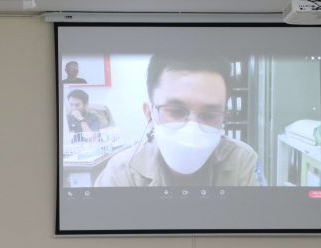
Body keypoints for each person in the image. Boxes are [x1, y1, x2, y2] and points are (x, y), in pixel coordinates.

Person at [95, 53, 258, 186]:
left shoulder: (242, 161)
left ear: (224, 116)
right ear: (150, 114)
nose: (192, 130)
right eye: (176, 111)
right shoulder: (120, 173)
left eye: (210, 115)